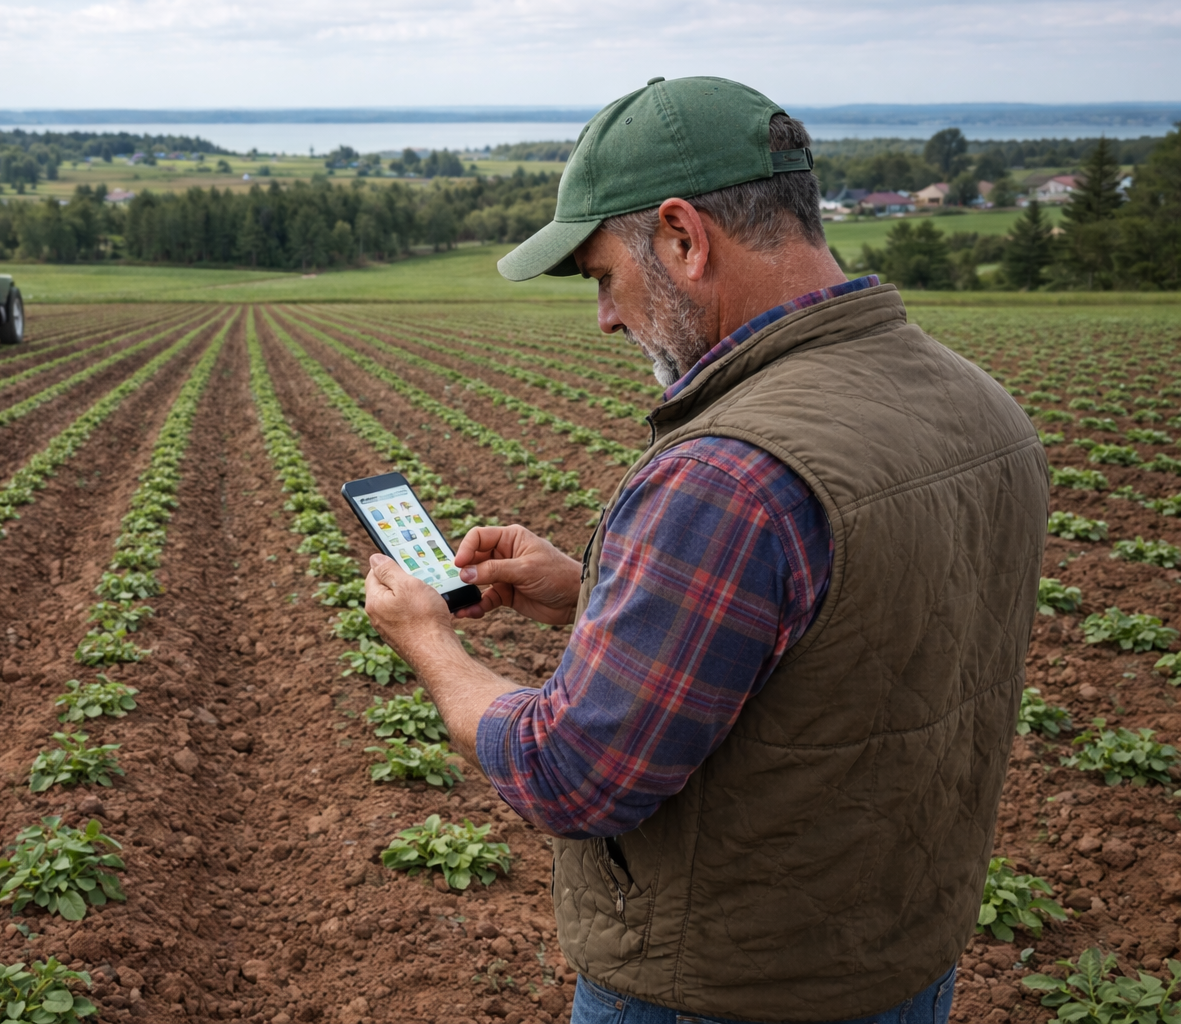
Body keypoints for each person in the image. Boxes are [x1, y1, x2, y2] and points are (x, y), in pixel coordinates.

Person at [362, 76, 1048, 1024]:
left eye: (605, 275)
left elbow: (573, 772)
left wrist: (432, 644)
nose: (603, 315)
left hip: (723, 989)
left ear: (684, 238)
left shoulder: (729, 476)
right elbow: (860, 628)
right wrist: (593, 585)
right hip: (903, 959)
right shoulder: (985, 406)